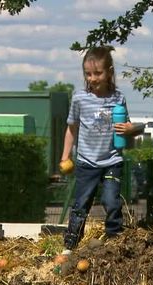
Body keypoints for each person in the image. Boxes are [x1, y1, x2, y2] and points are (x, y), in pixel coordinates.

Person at [60, 46, 143, 255]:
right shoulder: (79, 98)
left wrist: (132, 129)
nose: (93, 78)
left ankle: (115, 240)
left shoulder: (118, 98)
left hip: (112, 162)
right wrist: (65, 156)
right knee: (81, 205)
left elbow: (128, 127)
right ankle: (70, 244)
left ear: (110, 72)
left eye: (98, 73)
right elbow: (71, 128)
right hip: (86, 162)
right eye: (88, 74)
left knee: (111, 201)